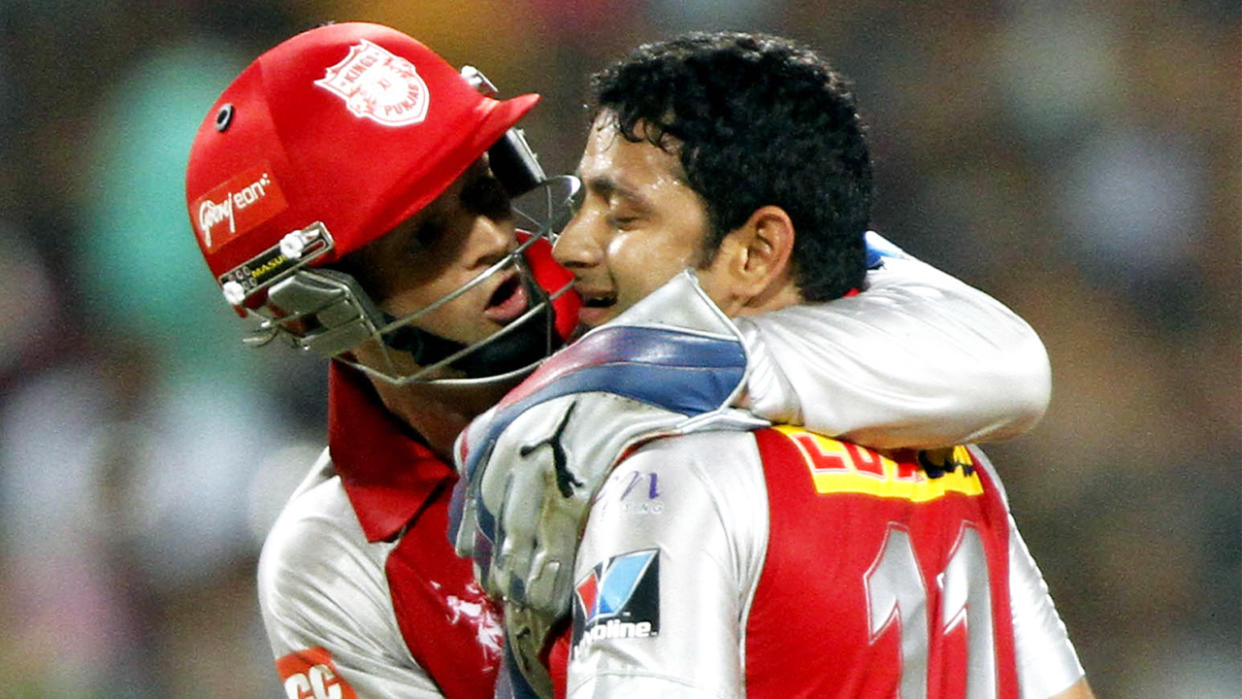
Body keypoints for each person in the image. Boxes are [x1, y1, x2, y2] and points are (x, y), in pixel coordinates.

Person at [185, 22, 1055, 699]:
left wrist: (642, 375)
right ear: (318, 311)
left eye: (487, 188)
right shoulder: (331, 558)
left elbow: (1007, 362)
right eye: (427, 238)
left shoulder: (649, 283)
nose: (499, 245)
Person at [454, 32, 1093, 698]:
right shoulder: (952, 461)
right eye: (582, 201)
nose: (573, 244)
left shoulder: (667, 478)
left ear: (758, 251)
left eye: (623, 214)